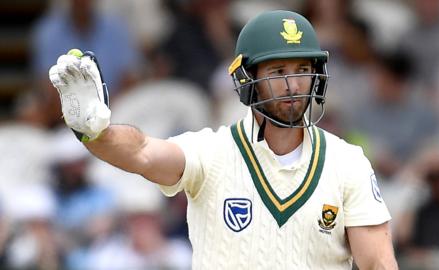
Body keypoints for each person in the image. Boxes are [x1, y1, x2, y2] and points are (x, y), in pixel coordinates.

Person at [48, 10, 398, 269]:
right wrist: (95, 131)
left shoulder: (347, 162)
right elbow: (140, 152)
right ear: (248, 79)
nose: (293, 86)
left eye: (302, 70)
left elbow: (378, 265)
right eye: (278, 72)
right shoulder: (210, 152)